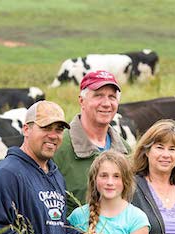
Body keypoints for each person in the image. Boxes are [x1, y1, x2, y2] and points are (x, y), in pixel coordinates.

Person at [0, 101, 106, 234]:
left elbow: (55, 225)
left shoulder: (55, 175)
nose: (53, 135)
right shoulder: (5, 174)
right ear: (26, 129)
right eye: (46, 128)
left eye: (59, 130)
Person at [54, 70, 132, 214]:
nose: (106, 103)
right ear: (81, 101)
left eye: (112, 97)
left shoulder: (125, 151)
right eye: (98, 96)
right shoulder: (59, 147)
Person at [67, 151, 150, 234]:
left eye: (116, 176)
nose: (110, 182)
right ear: (94, 179)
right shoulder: (78, 215)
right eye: (103, 176)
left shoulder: (137, 219)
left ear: (125, 180)